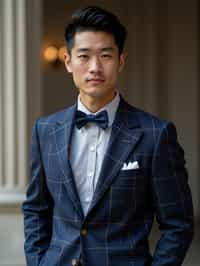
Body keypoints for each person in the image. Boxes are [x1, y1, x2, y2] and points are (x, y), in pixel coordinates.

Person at [22, 6, 194, 266]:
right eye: (84, 56)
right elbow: (36, 209)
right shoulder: (45, 130)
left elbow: (178, 223)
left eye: (105, 55)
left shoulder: (156, 135)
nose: (95, 67)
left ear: (121, 61)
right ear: (68, 62)